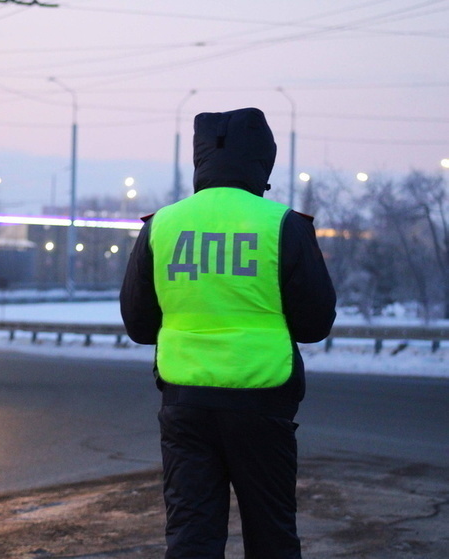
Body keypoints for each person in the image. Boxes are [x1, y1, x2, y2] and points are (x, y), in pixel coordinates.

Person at [120, 107, 336, 559]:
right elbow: (316, 324)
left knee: (191, 537)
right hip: (263, 398)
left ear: (200, 159)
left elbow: (139, 325)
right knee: (272, 535)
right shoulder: (283, 225)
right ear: (264, 160)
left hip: (185, 404)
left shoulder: (162, 225)